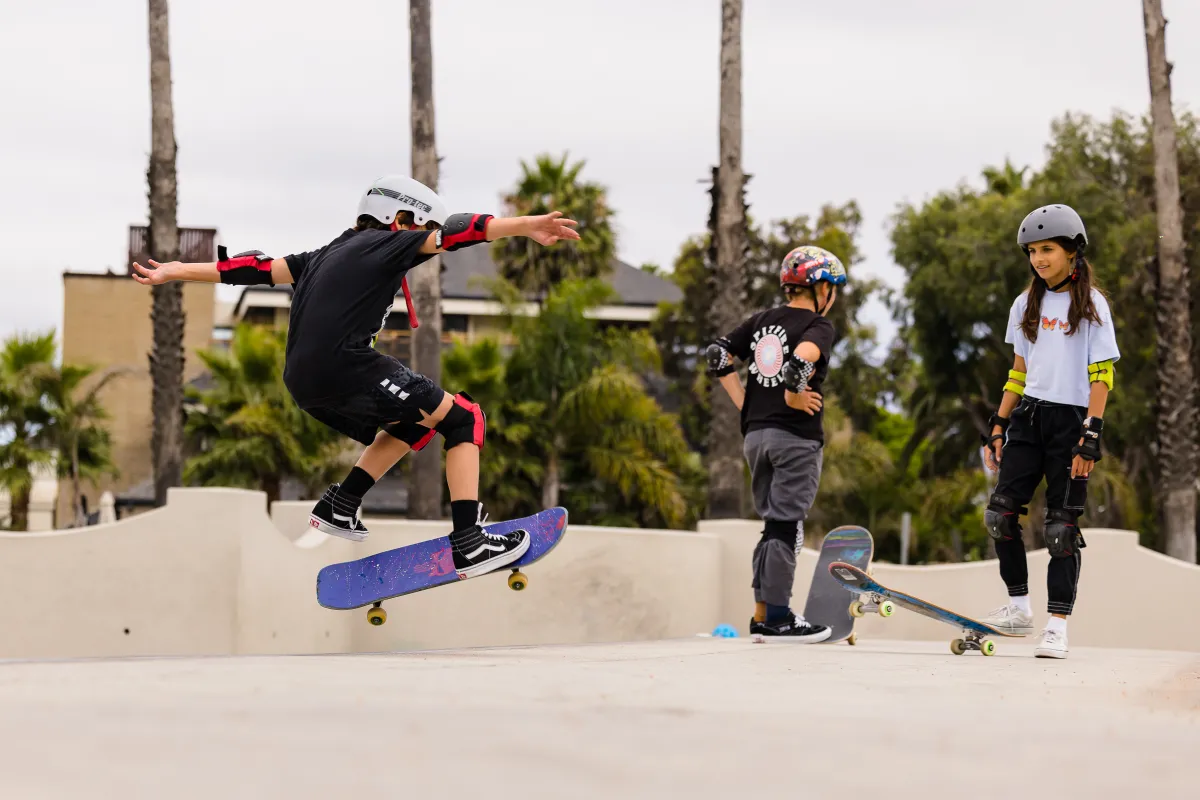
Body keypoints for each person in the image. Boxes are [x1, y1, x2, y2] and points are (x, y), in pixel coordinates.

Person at [132, 175, 580, 579]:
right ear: (401, 219)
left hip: (304, 382)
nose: (421, 242)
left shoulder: (324, 253)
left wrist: (176, 271)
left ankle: (341, 504)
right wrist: (524, 225)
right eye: (418, 228)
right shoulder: (387, 242)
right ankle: (470, 542)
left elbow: (254, 269)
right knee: (465, 419)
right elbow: (459, 231)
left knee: (412, 422)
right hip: (346, 366)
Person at [980, 203, 1119, 659]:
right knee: (1000, 516)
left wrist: (1091, 434)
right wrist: (999, 423)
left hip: (1071, 423)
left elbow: (1102, 375)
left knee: (1060, 527)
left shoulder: (1093, 305)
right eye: (1033, 252)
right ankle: (1019, 606)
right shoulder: (1026, 303)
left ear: (1073, 252)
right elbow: (1019, 371)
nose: (1039, 260)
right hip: (1029, 418)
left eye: (1048, 250)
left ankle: (1057, 624)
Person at [706, 245, 846, 642]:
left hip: (755, 437)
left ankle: (762, 614)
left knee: (772, 526)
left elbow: (717, 354)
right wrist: (793, 396)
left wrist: (745, 403)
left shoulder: (761, 321)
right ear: (821, 288)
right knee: (787, 526)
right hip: (795, 438)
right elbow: (798, 365)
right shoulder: (818, 327)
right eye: (833, 288)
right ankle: (781, 618)